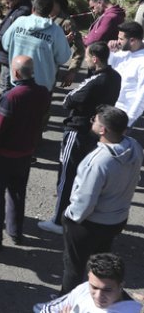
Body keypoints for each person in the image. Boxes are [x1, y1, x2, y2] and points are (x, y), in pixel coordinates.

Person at [38, 42, 122, 235]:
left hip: (77, 130)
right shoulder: (114, 77)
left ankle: (59, 219)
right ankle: (78, 212)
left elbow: (68, 100)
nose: (84, 59)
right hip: (95, 131)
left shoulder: (95, 81)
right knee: (84, 176)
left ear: (95, 58)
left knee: (67, 174)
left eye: (86, 56)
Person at [60, 105, 143, 293]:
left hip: (90, 223)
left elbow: (85, 200)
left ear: (103, 130)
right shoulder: (134, 147)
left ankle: (65, 303)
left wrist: (70, 216)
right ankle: (96, 298)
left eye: (94, 121)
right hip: (116, 219)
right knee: (99, 265)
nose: (92, 122)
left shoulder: (98, 161)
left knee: (74, 267)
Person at [0, 56, 51, 250]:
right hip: (25, 153)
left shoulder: (11, 97)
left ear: (16, 72)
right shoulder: (43, 92)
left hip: (2, 155)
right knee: (17, 193)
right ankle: (15, 231)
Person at [2, 0, 73, 92]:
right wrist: (64, 44)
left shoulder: (19, 22)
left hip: (17, 80)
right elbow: (62, 58)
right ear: (50, 12)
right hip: (42, 86)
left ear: (33, 8)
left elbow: (5, 44)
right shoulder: (56, 31)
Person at [34, 253, 140, 313]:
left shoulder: (133, 310)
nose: (98, 296)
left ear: (121, 286)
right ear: (89, 277)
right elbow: (48, 309)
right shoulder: (84, 289)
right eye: (94, 287)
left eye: (107, 290)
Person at [108, 21, 144, 127]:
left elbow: (142, 96)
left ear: (132, 40)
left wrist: (128, 121)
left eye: (121, 39)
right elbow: (107, 71)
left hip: (124, 115)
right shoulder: (122, 52)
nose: (117, 42)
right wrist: (110, 52)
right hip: (109, 108)